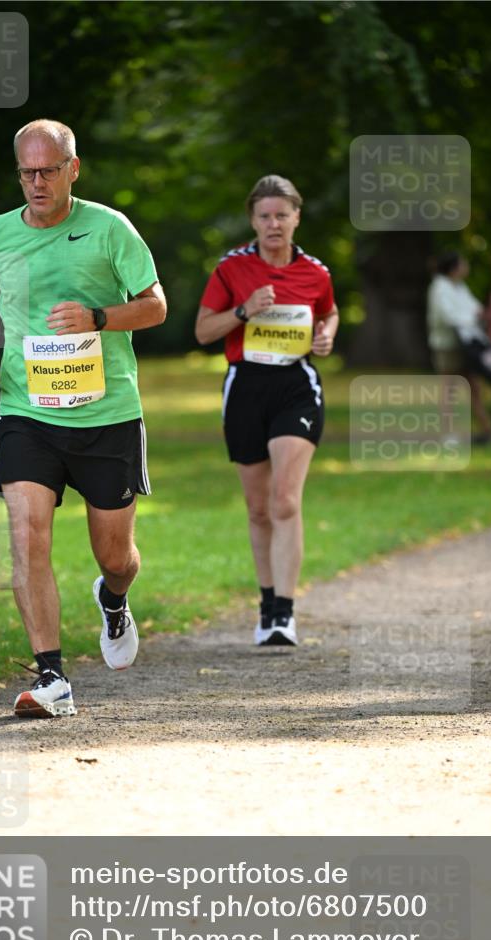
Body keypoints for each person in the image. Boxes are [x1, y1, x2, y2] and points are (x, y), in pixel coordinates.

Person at [0, 119, 166, 718]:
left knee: (115, 556)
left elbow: (156, 307)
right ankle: (52, 678)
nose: (36, 183)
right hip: (27, 410)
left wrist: (99, 319)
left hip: (107, 414)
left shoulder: (109, 228)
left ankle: (113, 598)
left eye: (48, 171)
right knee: (27, 535)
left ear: (72, 169)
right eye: (26, 172)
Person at [195, 175, 339, 646]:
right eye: (264, 216)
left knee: (285, 501)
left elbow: (328, 312)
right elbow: (202, 331)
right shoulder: (232, 269)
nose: (273, 224)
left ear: (297, 217)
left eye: (282, 215)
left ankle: (284, 613)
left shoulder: (315, 272)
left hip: (295, 385)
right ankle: (266, 603)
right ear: (252, 221)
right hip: (246, 387)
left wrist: (327, 333)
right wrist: (244, 311)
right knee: (258, 509)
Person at [426, 251, 491, 441]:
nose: (466, 267)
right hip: (446, 346)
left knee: (474, 387)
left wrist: (481, 313)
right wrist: (474, 317)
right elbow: (448, 316)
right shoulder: (440, 288)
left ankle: (488, 430)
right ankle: (448, 433)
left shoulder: (459, 286)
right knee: (449, 390)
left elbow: (472, 306)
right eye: (463, 263)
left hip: (465, 344)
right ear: (454, 268)